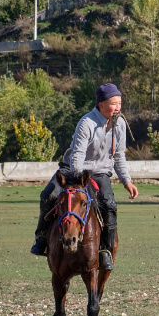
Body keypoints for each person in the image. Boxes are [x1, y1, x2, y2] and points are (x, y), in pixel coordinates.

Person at [30, 83, 138, 266]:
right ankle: (41, 238)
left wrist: (127, 181)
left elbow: (119, 155)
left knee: (109, 206)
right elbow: (78, 154)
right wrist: (78, 180)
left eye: (120, 103)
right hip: (73, 169)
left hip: (100, 173)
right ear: (101, 105)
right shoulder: (86, 122)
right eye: (114, 104)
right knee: (48, 195)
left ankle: (105, 251)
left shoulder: (119, 125)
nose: (118, 108)